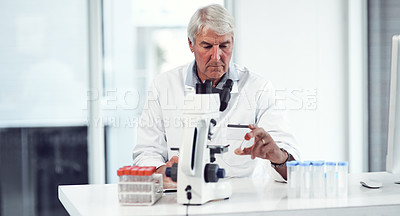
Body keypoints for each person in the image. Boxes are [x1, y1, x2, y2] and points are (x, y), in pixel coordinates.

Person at [133, 4, 301, 188]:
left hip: (242, 200)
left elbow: (291, 168)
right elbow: (146, 151)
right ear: (191, 44)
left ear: (233, 42)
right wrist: (161, 170)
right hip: (182, 196)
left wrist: (279, 157)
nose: (216, 56)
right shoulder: (163, 86)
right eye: (206, 46)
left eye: (224, 45)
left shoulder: (259, 89)